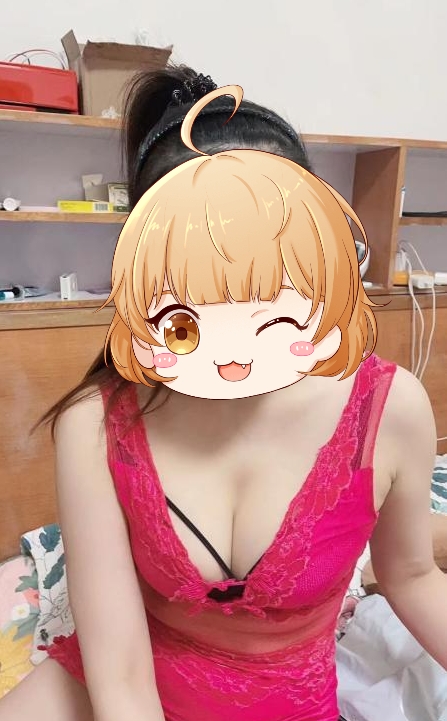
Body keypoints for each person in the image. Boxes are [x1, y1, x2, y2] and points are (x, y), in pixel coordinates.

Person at [1, 66, 446, 721]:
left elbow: (410, 574)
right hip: (127, 681)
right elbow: (121, 674)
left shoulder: (387, 408)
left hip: (289, 697)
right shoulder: (96, 423)